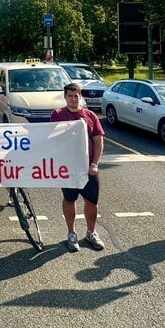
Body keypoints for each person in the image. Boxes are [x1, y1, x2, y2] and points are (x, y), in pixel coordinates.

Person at [50, 82, 105, 252]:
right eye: (70, 96)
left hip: (88, 168)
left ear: (80, 97)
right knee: (69, 199)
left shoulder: (90, 115)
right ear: (65, 97)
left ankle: (91, 232)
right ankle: (71, 233)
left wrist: (94, 164)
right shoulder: (57, 115)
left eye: (76, 96)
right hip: (68, 168)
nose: (73, 99)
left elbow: (98, 142)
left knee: (92, 201)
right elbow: (50, 139)